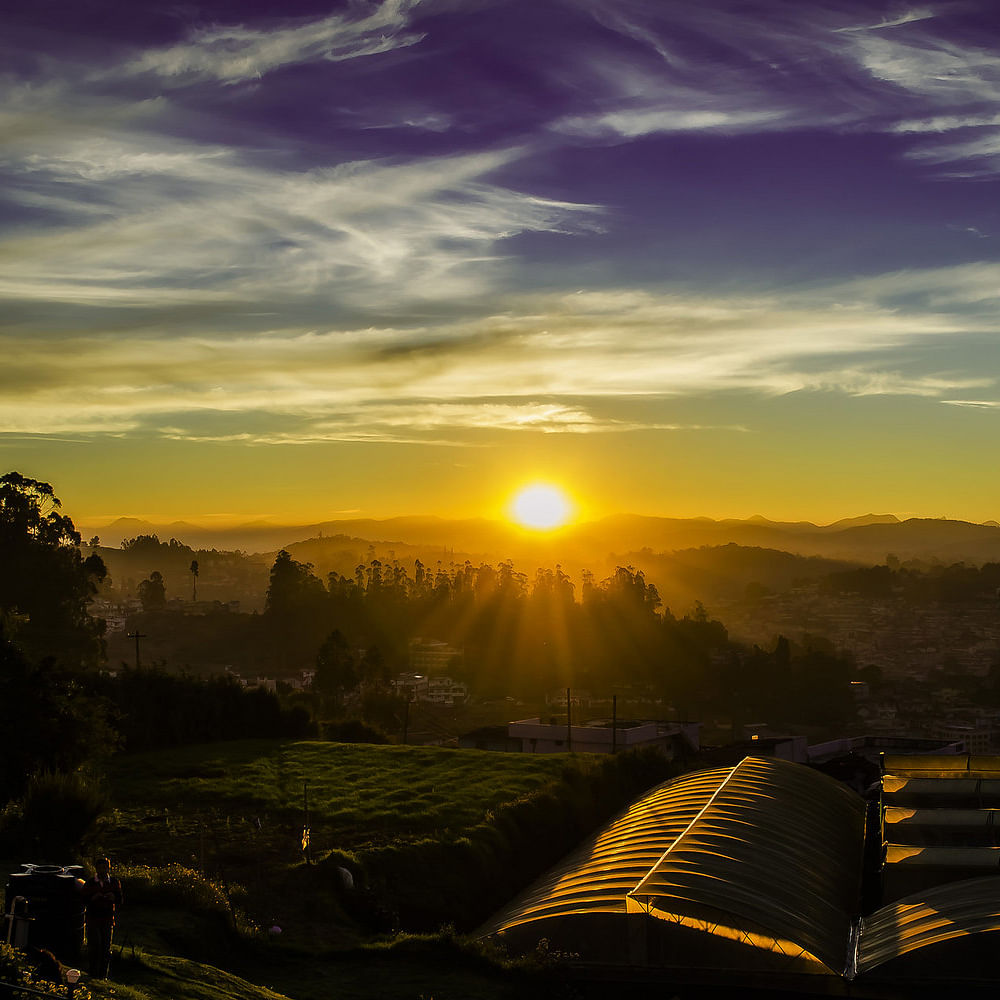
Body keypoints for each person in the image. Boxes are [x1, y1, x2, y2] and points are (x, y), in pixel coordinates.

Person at [82, 857, 122, 979]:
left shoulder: (114, 882)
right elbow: (82, 899)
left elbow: (120, 900)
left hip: (107, 919)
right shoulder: (90, 882)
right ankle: (93, 973)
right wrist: (92, 898)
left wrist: (113, 897)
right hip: (93, 919)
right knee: (94, 946)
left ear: (108, 868)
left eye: (104, 867)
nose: (102, 870)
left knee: (105, 948)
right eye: (100, 868)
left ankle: (103, 975)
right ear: (96, 868)